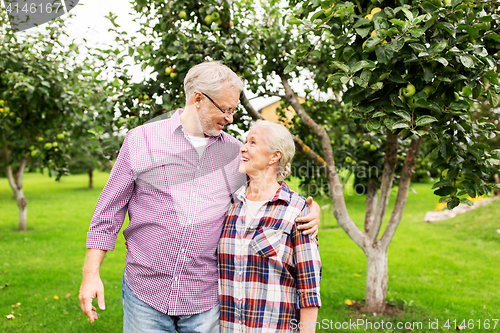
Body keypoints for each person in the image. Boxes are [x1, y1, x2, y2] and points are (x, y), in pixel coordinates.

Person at [78, 62, 321, 333]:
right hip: (144, 290)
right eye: (225, 109)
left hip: (204, 297)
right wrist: (91, 275)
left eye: (234, 110)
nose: (230, 118)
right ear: (197, 99)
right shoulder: (141, 140)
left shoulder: (234, 153)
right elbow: (107, 212)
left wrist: (310, 209)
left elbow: (269, 191)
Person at [218, 120, 321, 333]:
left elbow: (309, 285)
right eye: (245, 140)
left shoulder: (295, 209)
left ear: (274, 156)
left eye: (253, 142)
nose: (243, 147)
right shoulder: (229, 204)